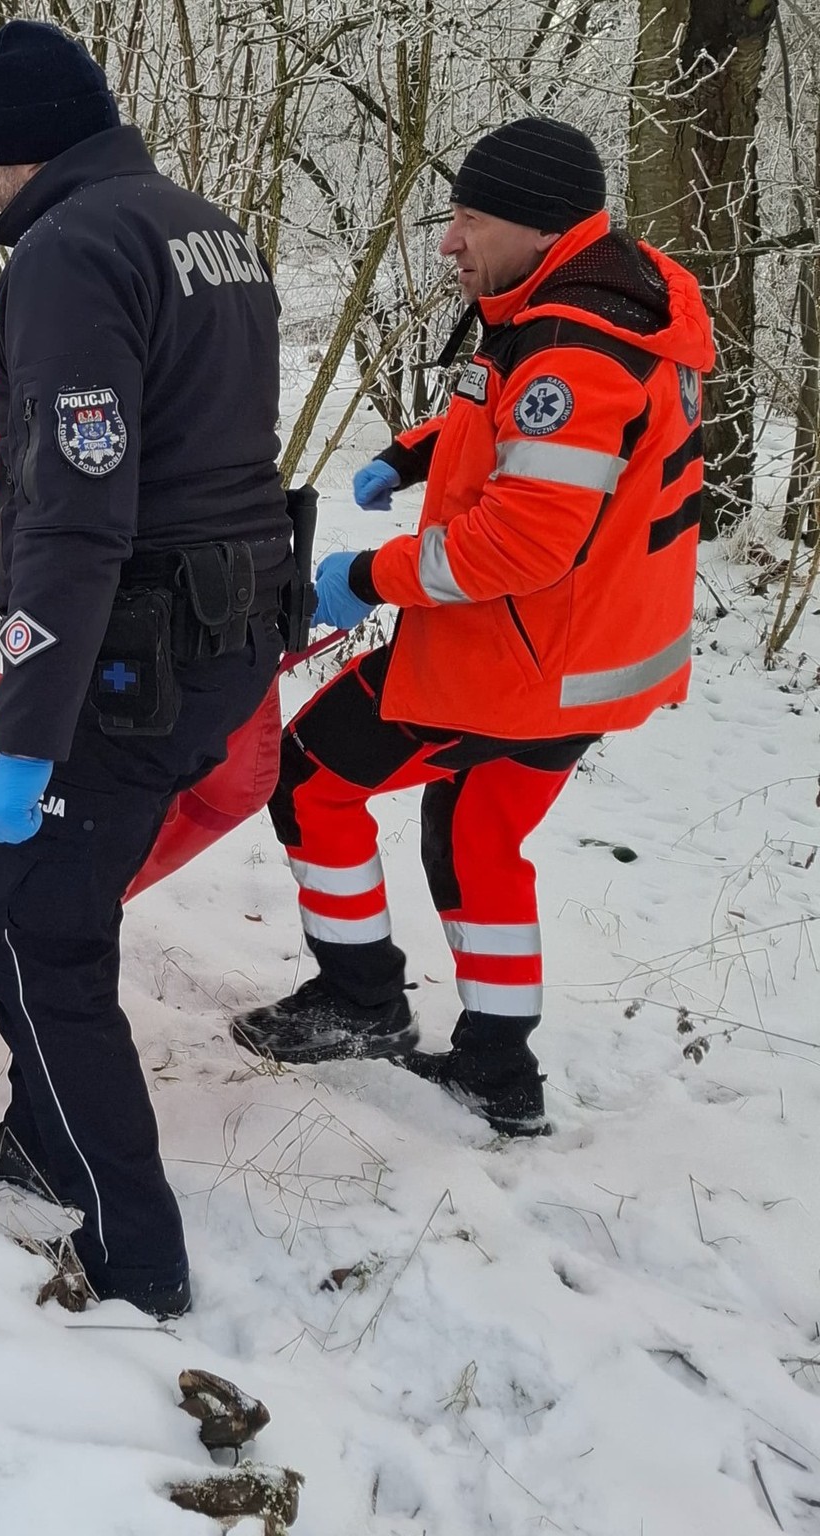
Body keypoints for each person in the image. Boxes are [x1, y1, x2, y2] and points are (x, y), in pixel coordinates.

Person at [232, 119, 713, 1135]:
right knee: (476, 835)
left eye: (467, 219)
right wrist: (416, 452)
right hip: (590, 658)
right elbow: (546, 430)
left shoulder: (567, 347)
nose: (448, 241)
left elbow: (520, 542)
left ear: (538, 230)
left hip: (519, 660)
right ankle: (497, 1068)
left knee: (307, 776)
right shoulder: (610, 295)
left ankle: (359, 1003)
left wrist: (367, 574)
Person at [0, 21, 294, 1319]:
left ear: (14, 155)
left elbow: (83, 504)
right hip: (226, 620)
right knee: (18, 889)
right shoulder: (200, 223)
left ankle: (133, 1254)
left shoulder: (67, 254)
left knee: (42, 930)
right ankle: (43, 1134)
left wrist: (28, 735)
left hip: (135, 647)